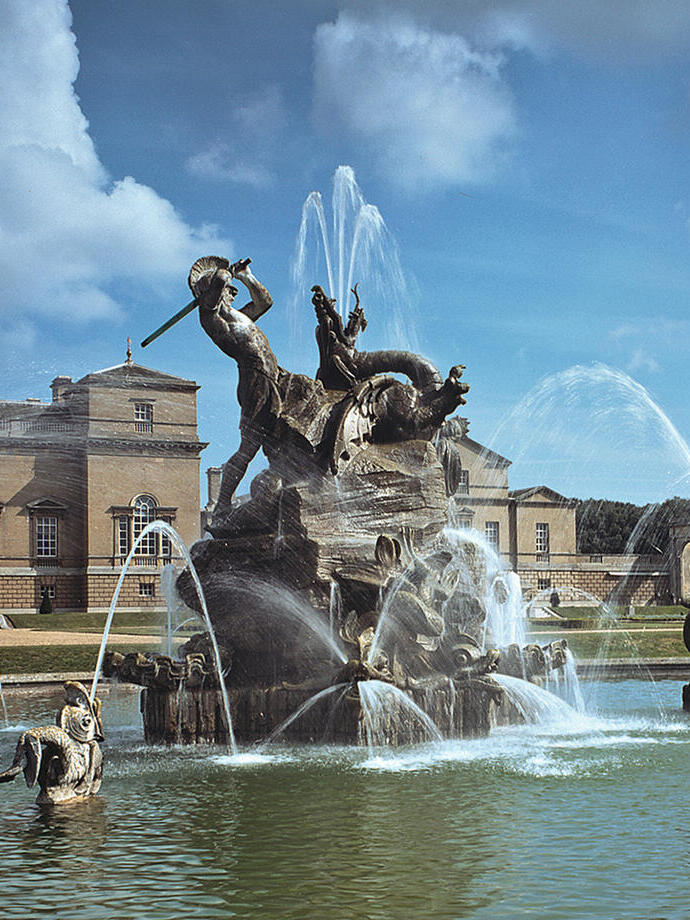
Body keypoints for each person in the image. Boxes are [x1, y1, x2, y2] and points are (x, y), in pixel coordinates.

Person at [188, 256, 282, 533]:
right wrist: (222, 275)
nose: (233, 293)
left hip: (275, 377)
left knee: (283, 435)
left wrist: (246, 276)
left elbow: (266, 302)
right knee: (249, 447)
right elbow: (217, 282)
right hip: (255, 383)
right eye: (231, 290)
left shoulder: (241, 315)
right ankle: (223, 503)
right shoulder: (210, 316)